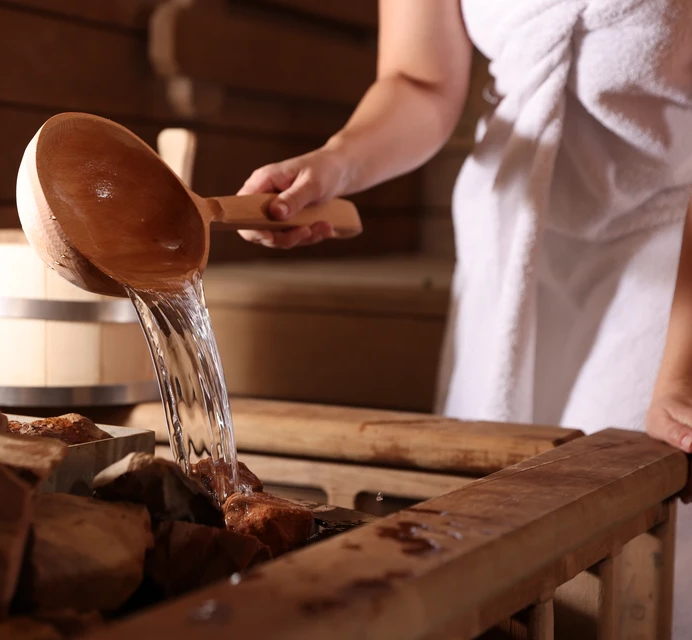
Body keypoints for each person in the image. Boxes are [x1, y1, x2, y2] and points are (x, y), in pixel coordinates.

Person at [236, 1, 692, 635]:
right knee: (494, 539)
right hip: (511, 241)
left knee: (634, 545)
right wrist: (335, 164)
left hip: (670, 245)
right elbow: (420, 80)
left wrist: (682, 369)